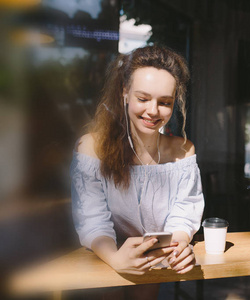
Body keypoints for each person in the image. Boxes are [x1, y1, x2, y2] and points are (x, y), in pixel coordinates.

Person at [70, 45, 204, 297]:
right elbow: (92, 220)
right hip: (101, 264)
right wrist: (115, 258)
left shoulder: (183, 152)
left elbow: (184, 212)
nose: (153, 111)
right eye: (143, 99)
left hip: (152, 267)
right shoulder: (91, 148)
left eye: (165, 102)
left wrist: (180, 245)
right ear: (125, 92)